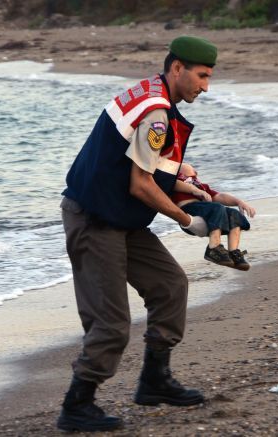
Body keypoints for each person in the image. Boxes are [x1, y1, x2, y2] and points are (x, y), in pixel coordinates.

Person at [57, 35, 217, 432]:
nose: (206, 86)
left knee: (170, 284)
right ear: (177, 68)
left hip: (122, 219)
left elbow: (154, 166)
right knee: (110, 323)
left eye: (210, 77)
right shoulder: (157, 114)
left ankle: (154, 381)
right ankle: (77, 405)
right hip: (94, 220)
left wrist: (194, 187)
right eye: (201, 76)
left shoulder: (152, 93)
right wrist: (185, 220)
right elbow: (141, 185)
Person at [172, 163, 256, 271]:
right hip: (188, 210)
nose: (195, 171)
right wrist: (194, 190)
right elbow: (173, 183)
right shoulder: (176, 180)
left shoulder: (201, 186)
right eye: (192, 169)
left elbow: (220, 196)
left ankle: (233, 252)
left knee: (234, 214)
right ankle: (213, 247)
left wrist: (239, 202)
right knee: (217, 207)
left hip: (207, 212)